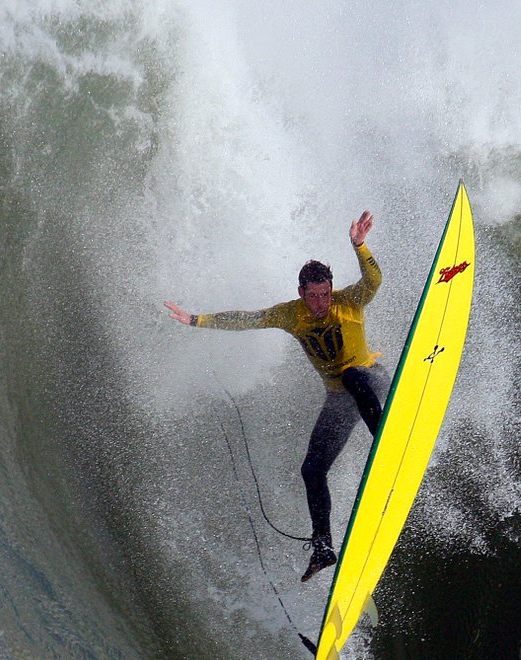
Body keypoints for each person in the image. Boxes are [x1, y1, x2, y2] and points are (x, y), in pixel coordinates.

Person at [165, 211, 384, 582]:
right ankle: (323, 547)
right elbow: (248, 319)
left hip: (371, 382)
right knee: (311, 470)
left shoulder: (350, 301)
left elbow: (374, 279)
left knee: (350, 375)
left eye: (325, 294)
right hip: (339, 402)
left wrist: (359, 245)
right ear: (302, 293)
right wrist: (195, 320)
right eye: (313, 296)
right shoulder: (291, 315)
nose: (320, 302)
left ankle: (385, 438)